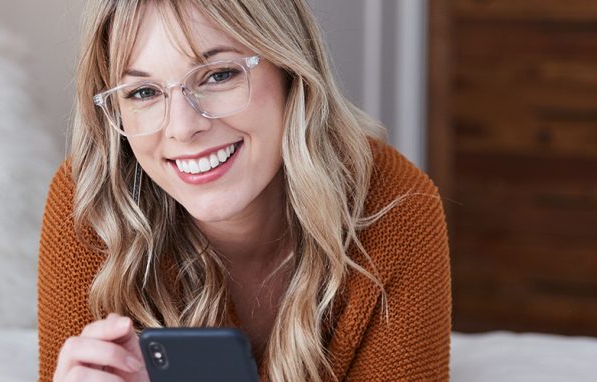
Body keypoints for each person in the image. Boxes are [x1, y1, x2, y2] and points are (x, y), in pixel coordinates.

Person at [37, 0, 451, 381]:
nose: (182, 127)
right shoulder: (91, 202)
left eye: (220, 75)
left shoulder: (396, 206)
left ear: (291, 70)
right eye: (143, 92)